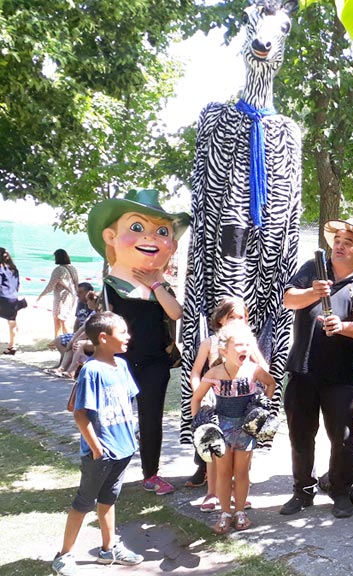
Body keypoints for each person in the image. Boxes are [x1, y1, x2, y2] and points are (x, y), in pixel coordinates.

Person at [86, 189, 191, 497]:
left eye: (161, 232)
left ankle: (151, 473)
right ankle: (106, 469)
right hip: (121, 362)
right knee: (113, 417)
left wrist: (156, 284)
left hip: (156, 360)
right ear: (110, 236)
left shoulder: (162, 286)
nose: (151, 238)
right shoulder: (111, 285)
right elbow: (104, 324)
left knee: (151, 417)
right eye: (137, 228)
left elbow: (176, 312)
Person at [279, 219, 353, 519]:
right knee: (300, 436)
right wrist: (313, 292)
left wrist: (343, 327)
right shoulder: (313, 269)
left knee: (343, 437)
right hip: (303, 369)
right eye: (337, 240)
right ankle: (302, 491)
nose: (339, 245)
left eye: (347, 242)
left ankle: (340, 492)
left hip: (340, 375)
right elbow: (288, 299)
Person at [51, 312, 144, 575]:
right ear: (103, 338)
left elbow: (128, 403)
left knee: (108, 500)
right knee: (84, 502)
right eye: (122, 332)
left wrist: (132, 435)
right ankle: (64, 555)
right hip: (101, 454)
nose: (128, 337)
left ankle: (108, 549)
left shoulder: (122, 366)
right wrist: (96, 448)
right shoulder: (91, 371)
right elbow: (80, 414)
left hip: (124, 450)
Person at [192, 322, 276, 534]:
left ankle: (240, 511)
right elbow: (197, 398)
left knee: (241, 473)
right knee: (223, 472)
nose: (244, 349)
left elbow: (271, 384)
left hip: (246, 430)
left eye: (247, 344)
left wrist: (261, 407)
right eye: (238, 344)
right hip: (221, 430)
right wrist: (199, 427)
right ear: (224, 350)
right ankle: (225, 513)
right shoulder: (215, 372)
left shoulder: (254, 370)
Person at [187, 297, 268, 511]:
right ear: (221, 318)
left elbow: (263, 367)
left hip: (242, 400)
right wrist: (199, 392)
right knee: (216, 452)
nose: (236, 320)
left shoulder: (246, 342)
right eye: (232, 316)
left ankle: (237, 493)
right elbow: (196, 371)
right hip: (215, 397)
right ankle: (212, 492)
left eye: (241, 317)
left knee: (242, 452)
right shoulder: (211, 342)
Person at [37, 249, 80, 339]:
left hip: (61, 297)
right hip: (71, 296)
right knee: (60, 318)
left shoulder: (58, 270)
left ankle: (68, 339)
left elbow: (51, 285)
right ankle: (57, 339)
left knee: (61, 319)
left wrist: (41, 295)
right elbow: (77, 283)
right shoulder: (72, 268)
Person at [0, 247, 23, 355]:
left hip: (1, 297)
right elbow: (18, 285)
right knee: (12, 322)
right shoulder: (14, 269)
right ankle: (12, 346)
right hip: (13, 298)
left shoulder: (0, 269)